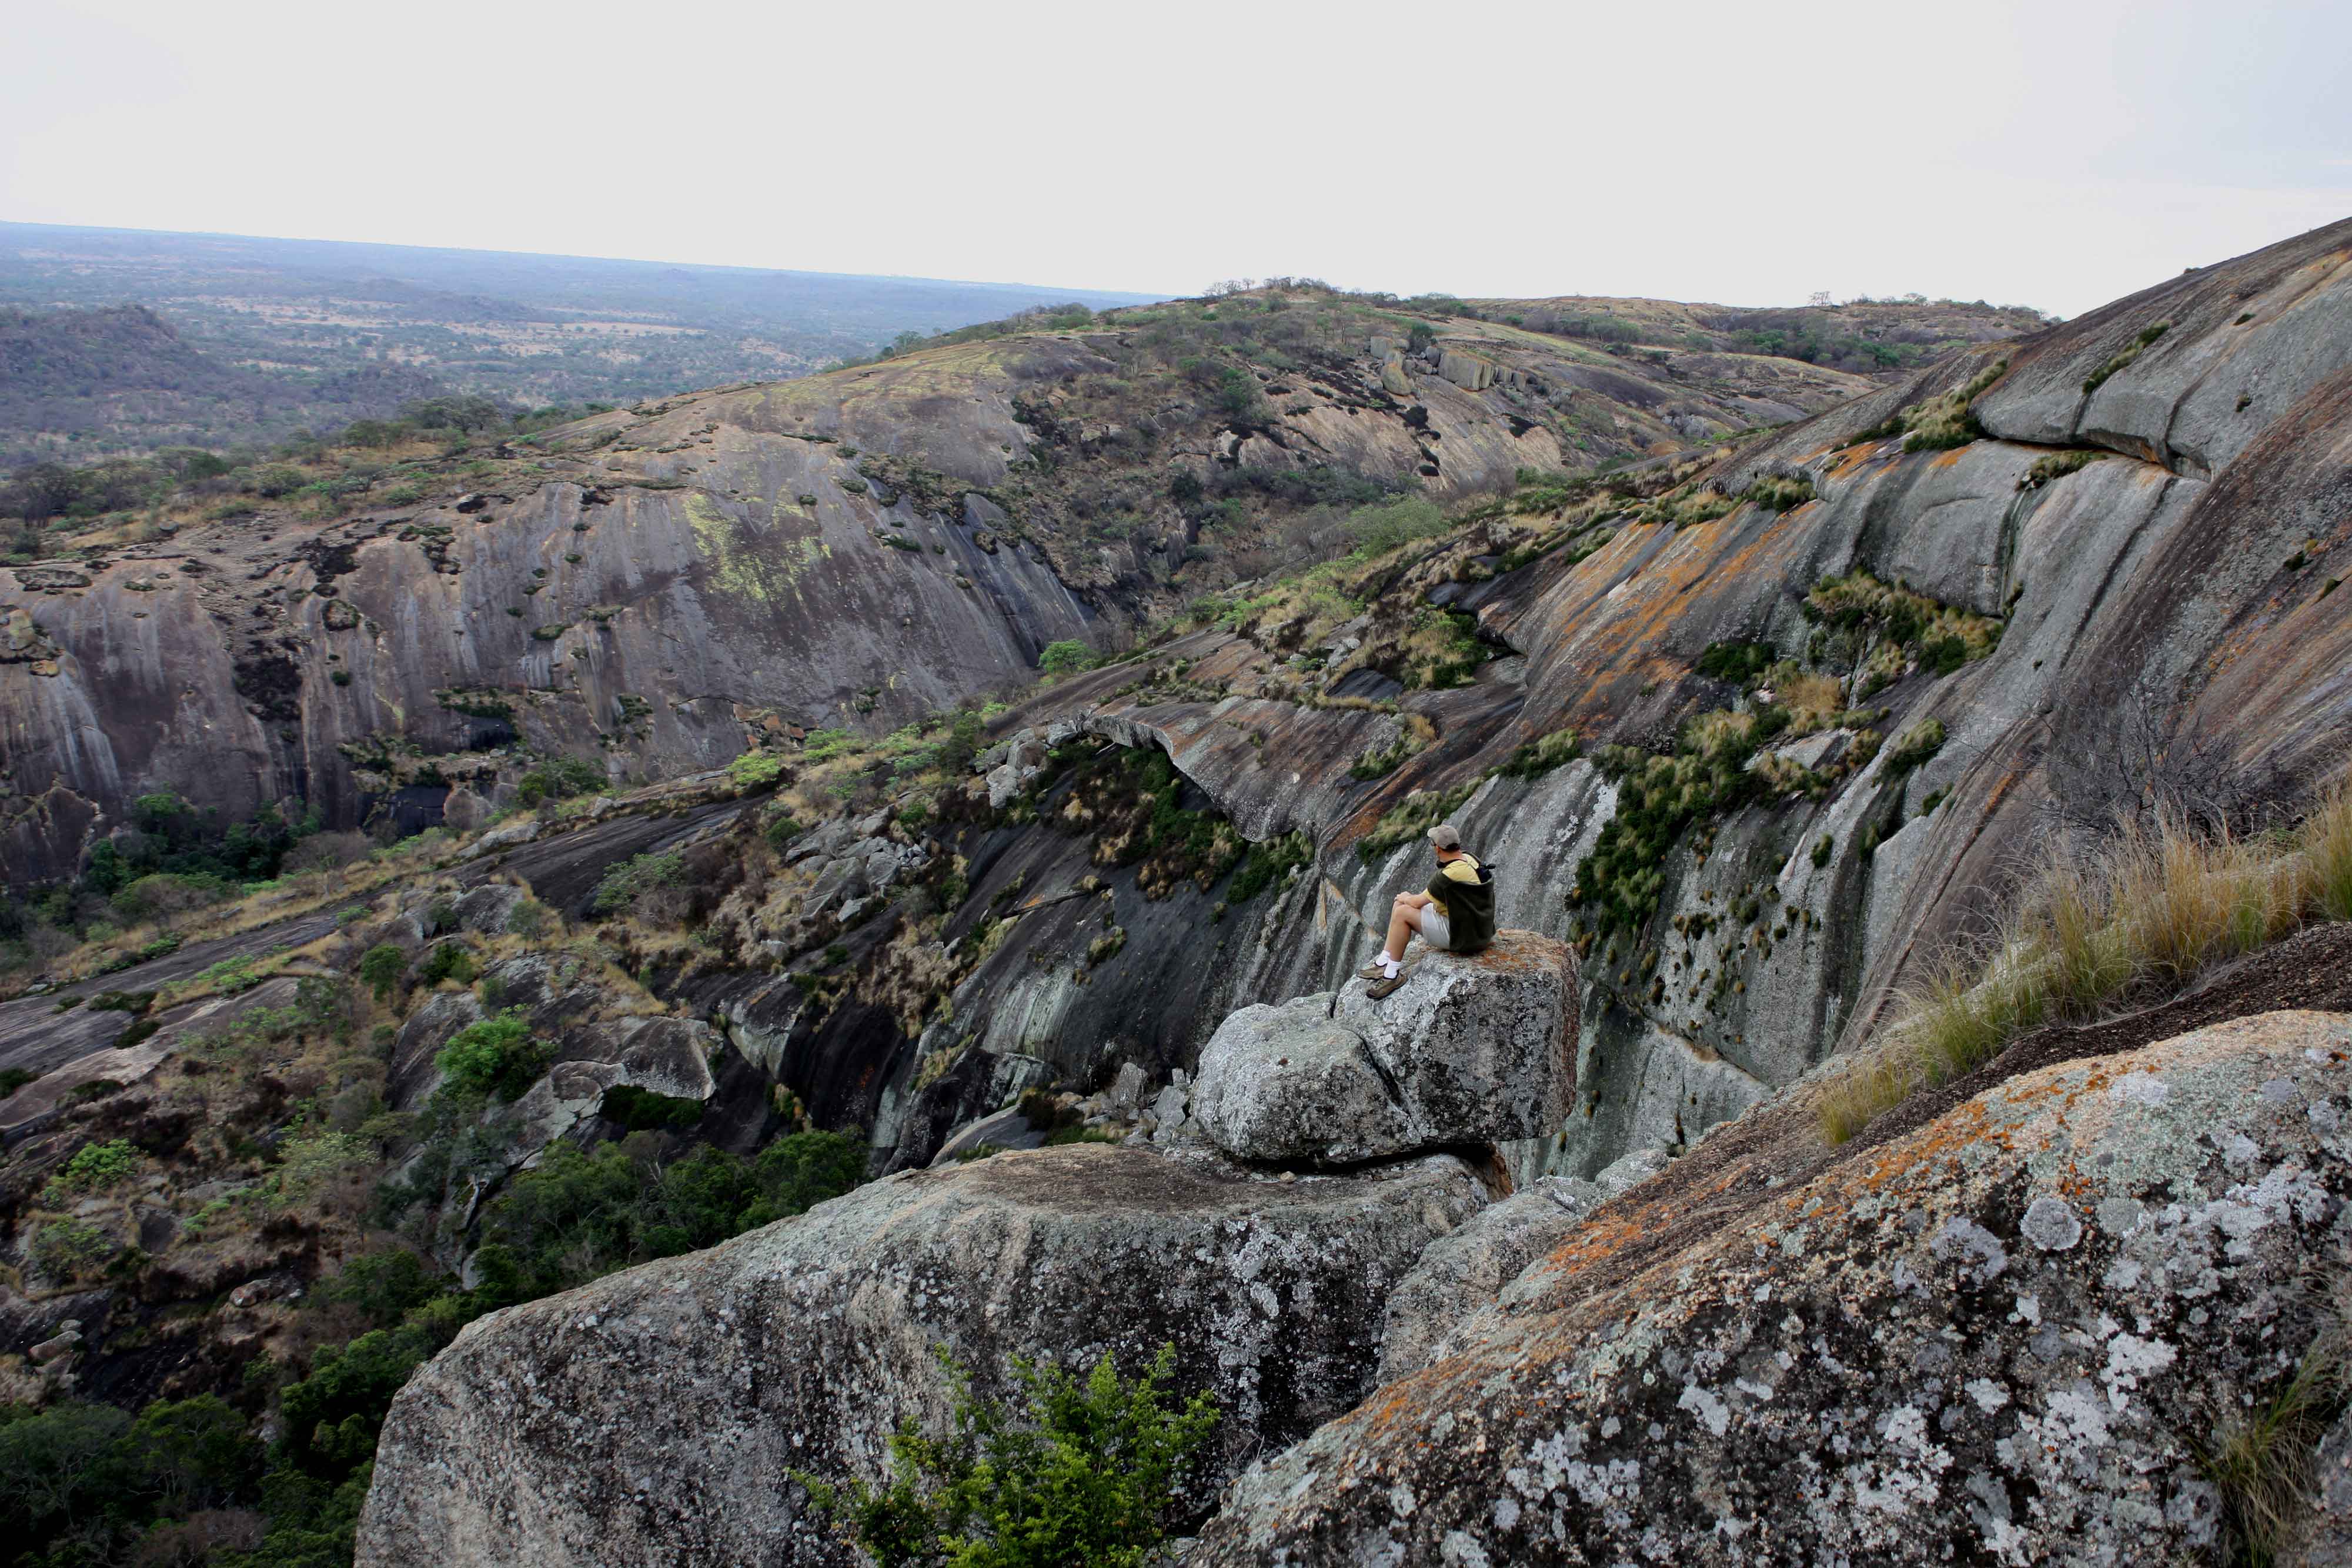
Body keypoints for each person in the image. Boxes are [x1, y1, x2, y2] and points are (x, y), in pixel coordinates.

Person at [1358, 823, 1495, 997]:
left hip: (1463, 936)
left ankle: (1392, 975)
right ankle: (1383, 962)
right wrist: (1405, 900)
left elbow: (1416, 902)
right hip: (1473, 924)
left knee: (1402, 911)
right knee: (1400, 905)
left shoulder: (1448, 875)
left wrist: (1405, 896)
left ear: (1438, 848)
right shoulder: (1469, 859)